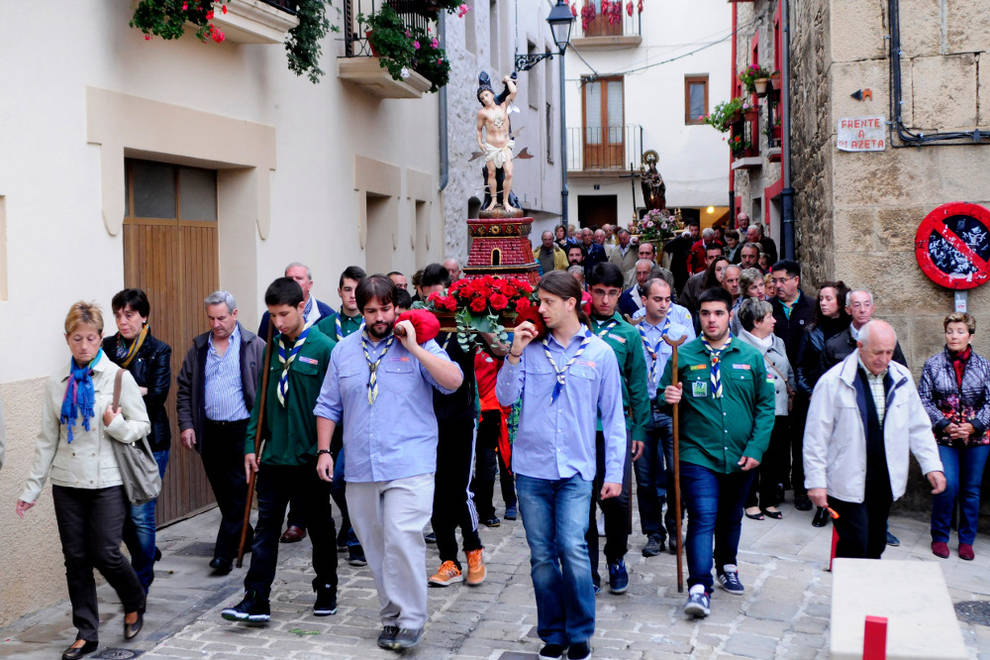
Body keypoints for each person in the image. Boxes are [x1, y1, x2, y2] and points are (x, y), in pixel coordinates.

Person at [314, 274, 463, 651]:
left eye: (385, 308)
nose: (379, 317)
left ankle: (412, 619)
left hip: (409, 461)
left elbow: (453, 381)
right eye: (371, 311)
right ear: (360, 311)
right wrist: (324, 451)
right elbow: (328, 405)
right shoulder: (343, 350)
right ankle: (391, 617)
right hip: (361, 465)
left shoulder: (420, 341)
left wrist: (416, 348)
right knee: (375, 546)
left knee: (402, 536)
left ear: (396, 307)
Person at [496, 271, 625, 660]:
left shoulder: (600, 353)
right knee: (541, 555)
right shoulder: (530, 347)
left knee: (573, 548)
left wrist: (615, 473)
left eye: (548, 302)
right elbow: (504, 396)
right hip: (532, 468)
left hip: (575, 469)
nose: (540, 309)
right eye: (539, 301)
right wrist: (514, 351)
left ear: (571, 303)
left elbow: (614, 417)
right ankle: (552, 633)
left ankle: (580, 632)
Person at [17, 302, 148, 660]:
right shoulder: (55, 384)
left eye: (91, 339)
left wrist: (116, 424)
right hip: (66, 482)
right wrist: (31, 489)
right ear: (67, 339)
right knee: (75, 558)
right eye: (77, 339)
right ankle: (86, 633)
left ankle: (134, 598)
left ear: (100, 338)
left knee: (106, 552)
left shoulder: (119, 377)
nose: (85, 346)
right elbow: (47, 440)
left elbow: (143, 426)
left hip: (107, 481)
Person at [221, 278, 339, 624]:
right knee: (265, 531)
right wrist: (249, 446)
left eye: (284, 314)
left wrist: (327, 451)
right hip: (274, 458)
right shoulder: (270, 347)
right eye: (272, 315)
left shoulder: (324, 348)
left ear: (302, 307)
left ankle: (327, 586)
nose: (278, 322)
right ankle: (256, 598)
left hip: (309, 458)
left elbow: (335, 408)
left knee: (320, 527)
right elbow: (260, 404)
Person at [660, 288, 774, 618]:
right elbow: (661, 400)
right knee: (702, 517)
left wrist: (756, 448)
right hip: (697, 453)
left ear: (730, 316)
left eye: (718, 313)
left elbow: (765, 406)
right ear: (699, 316)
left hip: (740, 455)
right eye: (706, 313)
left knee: (730, 515)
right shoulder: (684, 355)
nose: (711, 319)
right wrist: (668, 397)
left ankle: (727, 564)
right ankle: (700, 585)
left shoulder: (750, 356)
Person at [804, 320, 945, 560]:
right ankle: (851, 595)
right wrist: (816, 481)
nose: (883, 358)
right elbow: (816, 436)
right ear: (860, 346)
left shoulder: (902, 378)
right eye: (877, 352)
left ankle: (865, 595)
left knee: (876, 543)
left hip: (884, 479)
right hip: (846, 479)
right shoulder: (833, 381)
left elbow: (918, 426)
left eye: (889, 352)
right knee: (855, 544)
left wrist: (931, 465)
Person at [176, 290, 265, 575]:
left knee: (239, 492)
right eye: (211, 318)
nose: (216, 324)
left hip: (242, 430)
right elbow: (185, 388)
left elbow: (265, 389)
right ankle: (246, 537)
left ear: (235, 314)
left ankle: (224, 554)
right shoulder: (200, 349)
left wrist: (262, 433)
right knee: (225, 495)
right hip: (211, 432)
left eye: (222, 318)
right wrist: (187, 424)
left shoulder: (254, 345)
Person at [417, 265, 486, 588]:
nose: (433, 299)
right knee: (435, 491)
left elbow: (497, 347)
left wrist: (483, 318)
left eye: (439, 292)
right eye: (427, 293)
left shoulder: (466, 325)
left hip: (461, 418)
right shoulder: (417, 328)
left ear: (449, 291)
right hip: (428, 420)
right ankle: (449, 559)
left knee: (459, 489)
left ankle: (473, 549)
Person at [585, 263, 651, 595]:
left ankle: (616, 558)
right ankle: (589, 567)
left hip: (615, 429)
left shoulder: (628, 334)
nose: (605, 300)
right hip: (580, 429)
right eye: (599, 292)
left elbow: (638, 385)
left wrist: (639, 429)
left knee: (618, 501)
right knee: (583, 500)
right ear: (589, 290)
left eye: (612, 294)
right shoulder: (577, 328)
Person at [103, 289, 172, 592]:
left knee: (142, 514)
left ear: (144, 317)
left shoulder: (158, 350)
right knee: (117, 515)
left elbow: (156, 397)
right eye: (118, 314)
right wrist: (136, 390)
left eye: (129, 314)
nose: (122, 320)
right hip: (114, 441)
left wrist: (122, 395)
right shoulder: (105, 347)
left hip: (150, 443)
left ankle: (140, 584)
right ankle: (147, 552)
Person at [919, 313, 990, 560]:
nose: (954, 336)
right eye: (950, 331)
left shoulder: (984, 366)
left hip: (977, 437)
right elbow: (924, 399)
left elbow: (989, 402)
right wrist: (944, 423)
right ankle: (939, 537)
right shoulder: (933, 364)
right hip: (944, 435)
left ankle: (967, 540)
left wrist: (974, 425)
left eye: (960, 331)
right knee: (946, 485)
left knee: (971, 489)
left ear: (970, 335)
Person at [635, 277, 695, 557]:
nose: (663, 304)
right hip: (643, 410)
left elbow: (693, 367)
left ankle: (675, 527)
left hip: (671, 410)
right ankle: (653, 532)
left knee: (675, 473)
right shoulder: (633, 328)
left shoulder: (681, 331)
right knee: (645, 477)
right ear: (644, 300)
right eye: (657, 299)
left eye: (667, 299)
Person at [315, 265, 368, 564]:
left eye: (356, 290)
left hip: (359, 416)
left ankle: (356, 538)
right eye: (347, 289)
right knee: (333, 481)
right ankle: (351, 521)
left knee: (346, 476)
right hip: (332, 416)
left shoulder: (371, 325)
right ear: (339, 292)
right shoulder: (324, 327)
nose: (351, 295)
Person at [794, 281, 850, 526]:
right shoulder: (811, 332)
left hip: (847, 403)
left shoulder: (852, 333)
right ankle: (822, 506)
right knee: (822, 452)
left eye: (829, 298)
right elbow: (801, 368)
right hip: (817, 400)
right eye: (821, 299)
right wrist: (812, 393)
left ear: (840, 301)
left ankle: (842, 503)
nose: (824, 303)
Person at [736, 298, 794, 521]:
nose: (774, 320)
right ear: (757, 321)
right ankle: (750, 501)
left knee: (775, 457)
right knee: (753, 456)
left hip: (778, 410)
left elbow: (787, 370)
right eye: (769, 316)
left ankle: (769, 500)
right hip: (752, 411)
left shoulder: (778, 342)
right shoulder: (740, 347)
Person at [472, 348, 518, 526]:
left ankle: (485, 509)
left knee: (487, 462)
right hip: (462, 403)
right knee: (458, 463)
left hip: (490, 407)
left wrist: (482, 327)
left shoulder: (492, 336)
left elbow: (504, 350)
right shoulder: (456, 334)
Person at [823, 289, 907, 370]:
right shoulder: (834, 345)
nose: (862, 310)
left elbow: (902, 374)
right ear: (848, 310)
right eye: (857, 305)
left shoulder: (887, 339)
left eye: (867, 304)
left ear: (872, 309)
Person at [258, 262, 334, 339]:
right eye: (289, 279)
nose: (294, 282)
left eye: (299, 278)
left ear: (310, 285)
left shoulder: (328, 315)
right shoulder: (269, 317)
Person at [477, 73, 518, 213]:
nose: (485, 99)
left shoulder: (503, 105)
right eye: (482, 98)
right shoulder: (482, 113)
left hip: (505, 145)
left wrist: (507, 79)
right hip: (491, 146)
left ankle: (506, 201)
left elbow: (513, 91)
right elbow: (478, 130)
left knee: (509, 173)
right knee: (491, 173)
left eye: (486, 95)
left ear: (492, 94)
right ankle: (493, 200)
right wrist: (480, 143)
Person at [679, 246, 725, 316]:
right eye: (711, 258)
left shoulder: (732, 278)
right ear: (705, 260)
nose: (714, 261)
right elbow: (684, 307)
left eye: (717, 257)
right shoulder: (694, 281)